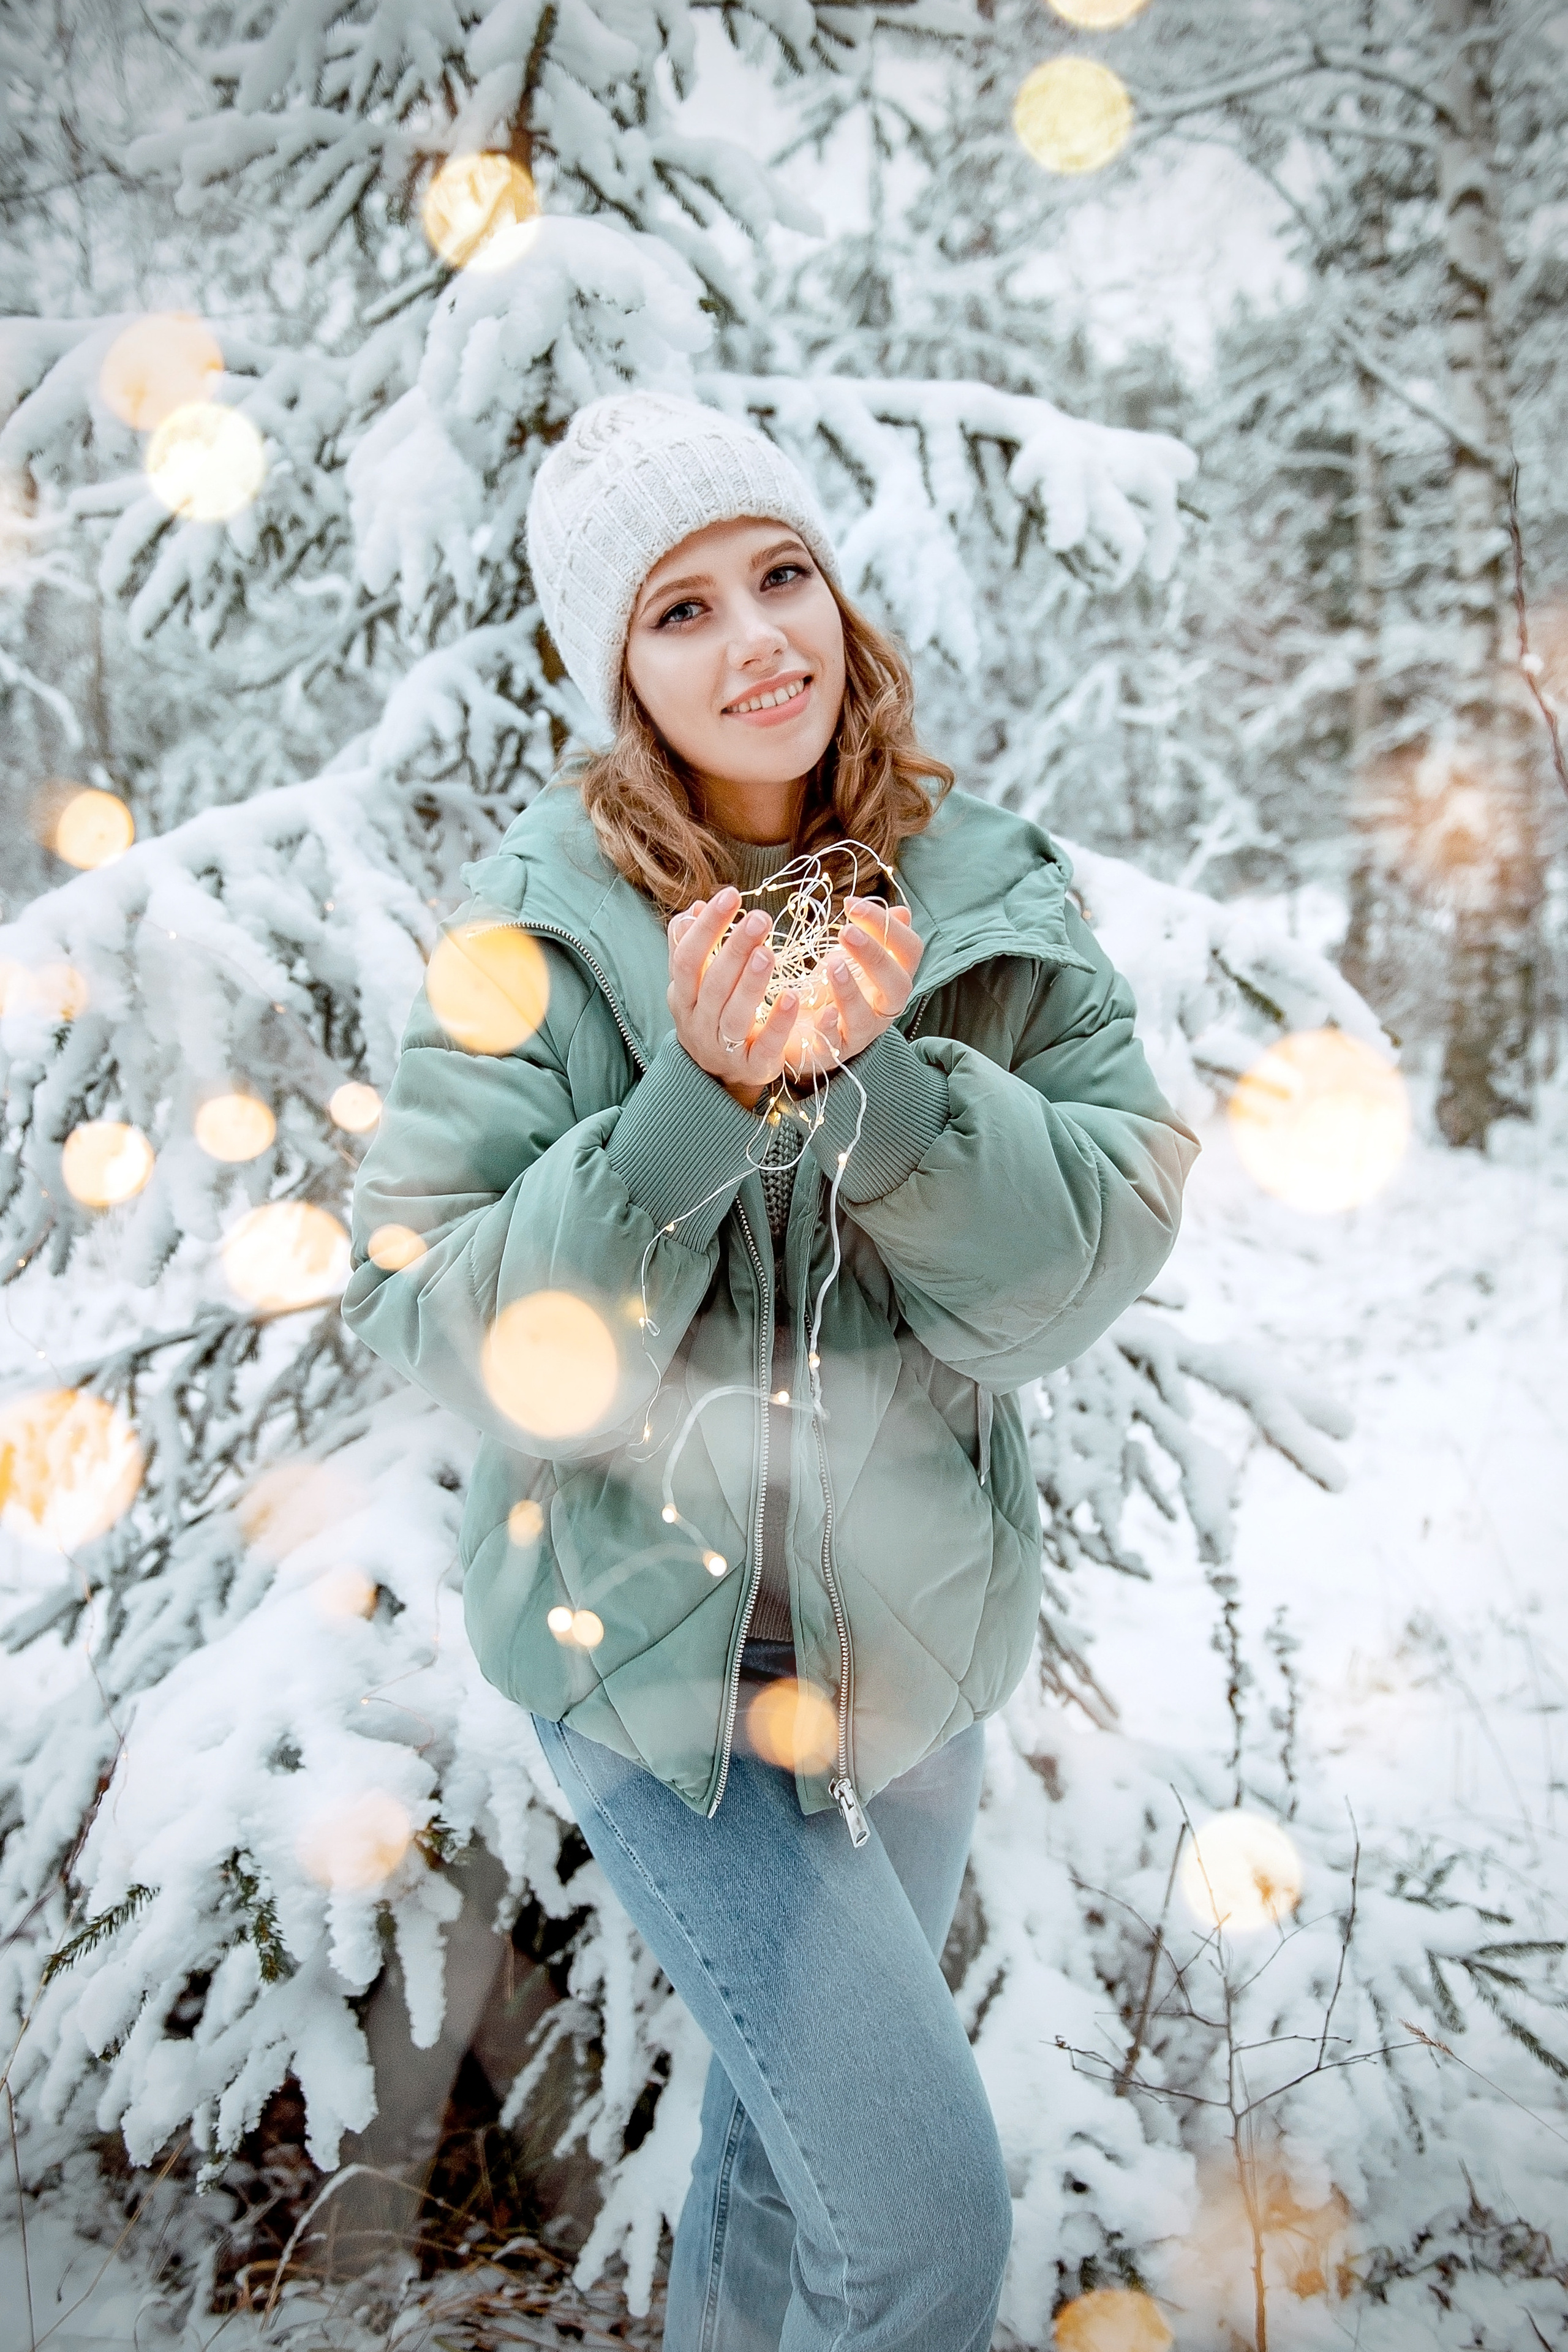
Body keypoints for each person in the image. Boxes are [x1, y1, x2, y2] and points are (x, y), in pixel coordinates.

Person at [343, 390, 1198, 2352]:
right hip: (656, 1671)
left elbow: (1081, 1265)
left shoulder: (982, 884)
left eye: (782, 575)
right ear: (619, 675)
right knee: (918, 2230)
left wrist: (879, 1089)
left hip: (908, 1656)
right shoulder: (540, 933)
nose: (758, 644)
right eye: (683, 611)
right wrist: (692, 1110)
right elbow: (427, 1311)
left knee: (777, 2164)